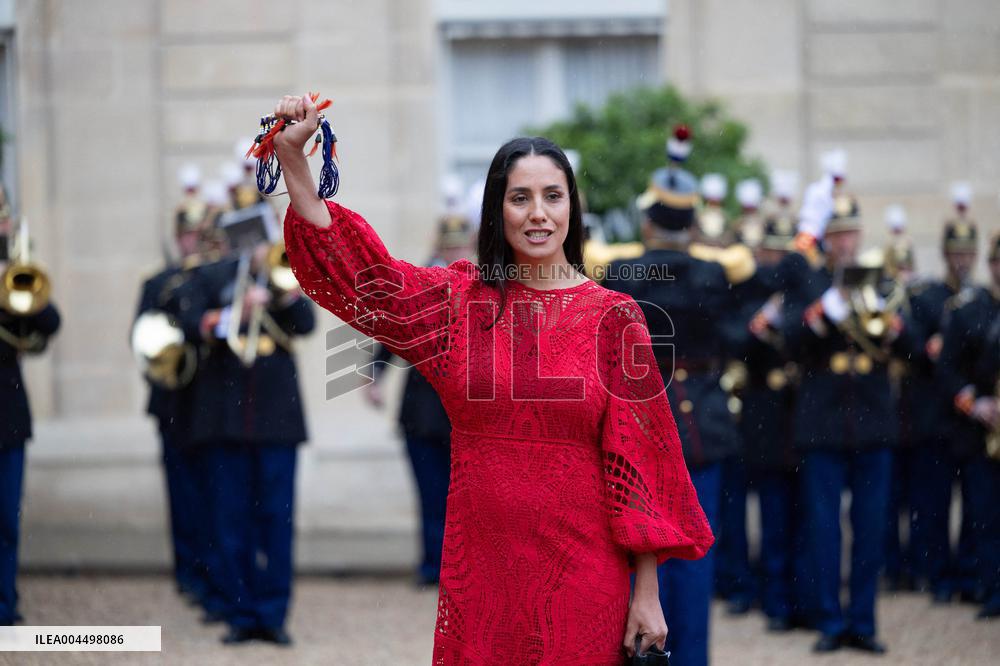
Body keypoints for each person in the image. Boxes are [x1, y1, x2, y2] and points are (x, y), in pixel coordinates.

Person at [273, 93, 713, 663]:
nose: (538, 213)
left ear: (572, 210)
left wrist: (647, 594)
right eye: (520, 198)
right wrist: (295, 163)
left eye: (553, 197)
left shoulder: (615, 318)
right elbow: (366, 278)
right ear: (496, 211)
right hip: (479, 569)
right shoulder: (457, 304)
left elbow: (641, 466)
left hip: (583, 574)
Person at [606, 157, 742, 666]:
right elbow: (732, 339)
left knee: (636, 556)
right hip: (699, 421)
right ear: (692, 223)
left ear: (647, 221)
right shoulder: (712, 273)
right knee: (693, 555)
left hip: (635, 421)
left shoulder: (623, 272)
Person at [783, 194, 913, 655]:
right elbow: (790, 341)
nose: (844, 242)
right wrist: (825, 312)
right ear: (826, 238)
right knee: (823, 527)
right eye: (837, 234)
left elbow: (911, 346)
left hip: (872, 421)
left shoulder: (879, 279)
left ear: (860, 236)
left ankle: (863, 620)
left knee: (871, 525)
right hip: (823, 422)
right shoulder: (809, 280)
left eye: (851, 233)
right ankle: (829, 620)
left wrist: (891, 321)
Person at [183, 233, 316, 645]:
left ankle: (273, 613)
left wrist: (278, 293)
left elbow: (307, 323)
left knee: (277, 520)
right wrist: (236, 312)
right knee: (231, 520)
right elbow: (192, 325)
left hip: (277, 421)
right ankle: (241, 611)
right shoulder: (211, 276)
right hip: (226, 419)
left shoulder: (284, 273)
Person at [364, 214, 475, 586]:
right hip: (423, 408)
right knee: (430, 493)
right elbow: (394, 330)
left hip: (468, 410)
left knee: (465, 499)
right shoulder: (421, 283)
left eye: (462, 244)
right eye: (452, 244)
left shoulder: (484, 284)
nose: (457, 250)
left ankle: (461, 568)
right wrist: (375, 376)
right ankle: (433, 566)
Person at [898, 217, 978, 602]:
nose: (961, 260)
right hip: (932, 414)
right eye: (956, 253)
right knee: (932, 502)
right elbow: (913, 348)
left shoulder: (979, 301)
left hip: (966, 419)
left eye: (967, 253)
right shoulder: (927, 297)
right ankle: (933, 571)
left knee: (975, 505)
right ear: (945, 255)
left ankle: (968, 571)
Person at [0, 197, 61, 627]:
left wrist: (12, 286)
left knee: (5, 520)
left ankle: (4, 606)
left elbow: (49, 323)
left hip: (7, 418)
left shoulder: (13, 273)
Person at [936, 231, 1000, 620]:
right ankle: (991, 587)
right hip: (982, 431)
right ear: (991, 266)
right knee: (985, 513)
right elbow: (947, 370)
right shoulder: (967, 309)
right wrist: (973, 402)